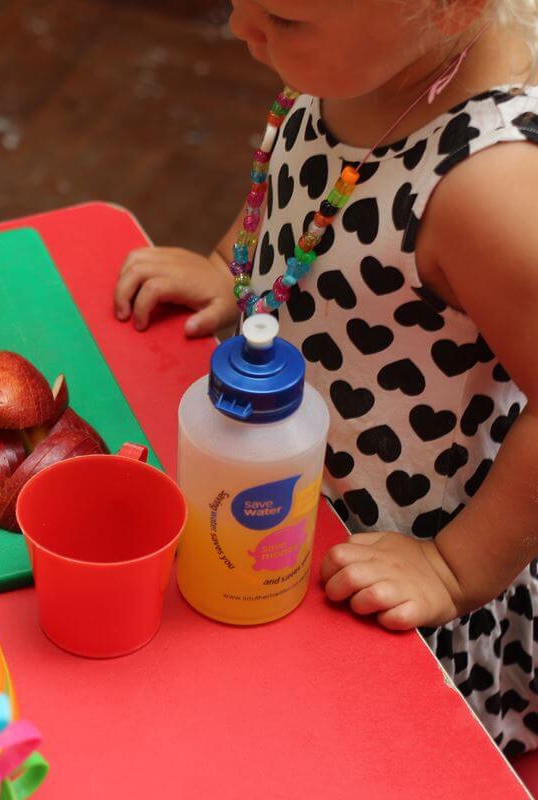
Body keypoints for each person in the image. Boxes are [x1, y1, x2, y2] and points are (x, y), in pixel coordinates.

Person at [114, 0, 538, 753]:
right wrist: (232, 271)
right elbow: (308, 189)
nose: (240, 29)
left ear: (451, 10)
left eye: (281, 16)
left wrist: (451, 568)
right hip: (287, 506)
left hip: (407, 562)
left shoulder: (491, 193)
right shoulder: (365, 59)